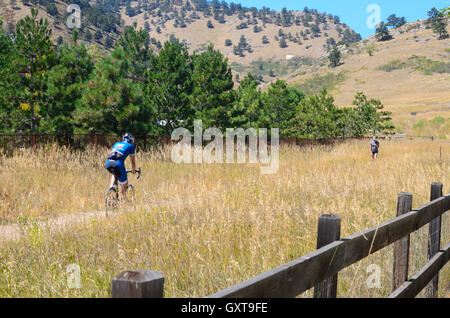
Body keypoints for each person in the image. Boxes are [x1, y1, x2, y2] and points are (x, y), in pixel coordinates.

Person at [105, 133, 136, 200]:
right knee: (124, 184)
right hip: (118, 164)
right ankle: (124, 200)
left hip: (108, 163)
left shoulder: (116, 144)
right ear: (130, 140)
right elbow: (133, 162)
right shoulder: (130, 146)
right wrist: (133, 170)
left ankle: (112, 188)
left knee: (114, 173)